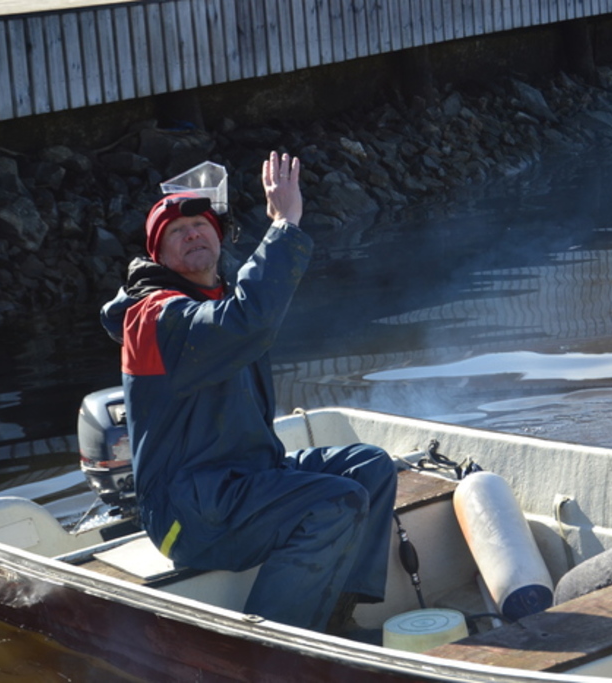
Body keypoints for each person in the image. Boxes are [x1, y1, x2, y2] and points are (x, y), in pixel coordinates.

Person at [100, 151, 398, 633]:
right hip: (187, 515)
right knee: (335, 502)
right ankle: (272, 649)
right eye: (177, 232)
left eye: (200, 225)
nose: (192, 233)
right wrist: (284, 224)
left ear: (219, 238)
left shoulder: (220, 297)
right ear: (160, 258)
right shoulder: (157, 318)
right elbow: (249, 321)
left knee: (369, 467)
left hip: (243, 480)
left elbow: (250, 308)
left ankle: (335, 613)